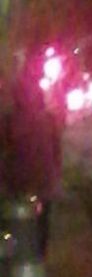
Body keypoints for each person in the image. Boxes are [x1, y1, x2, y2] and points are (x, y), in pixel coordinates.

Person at [0, 59, 63, 257]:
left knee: (13, 220)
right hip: (44, 183)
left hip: (18, 183)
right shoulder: (49, 119)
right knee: (42, 222)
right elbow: (56, 151)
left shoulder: (10, 120)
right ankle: (38, 257)